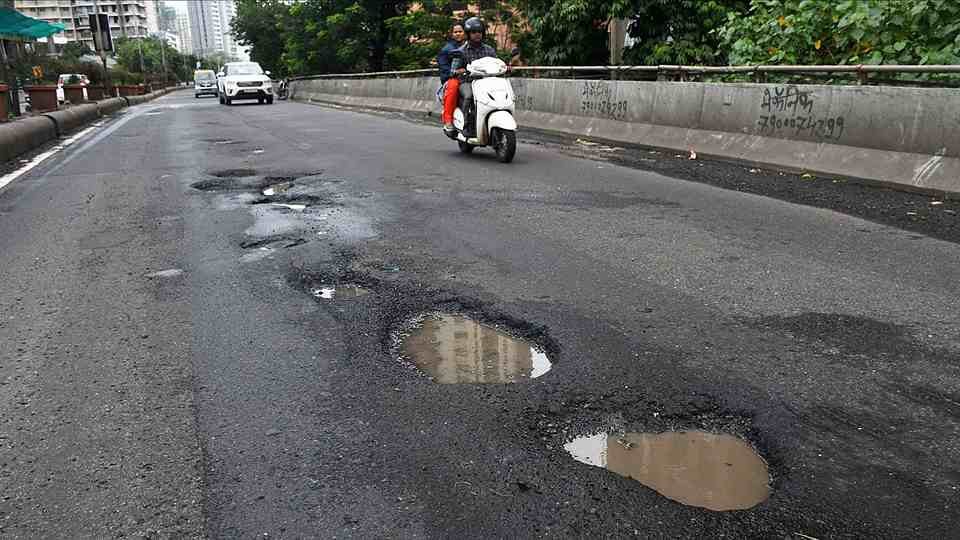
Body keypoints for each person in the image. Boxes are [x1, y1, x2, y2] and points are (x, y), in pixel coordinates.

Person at [442, 16, 497, 136]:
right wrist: (459, 71)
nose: (477, 34)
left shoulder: (489, 50)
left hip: (486, 82)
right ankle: (466, 124)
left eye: (479, 32)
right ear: (468, 34)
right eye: (473, 32)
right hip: (468, 82)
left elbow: (497, 63)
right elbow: (452, 71)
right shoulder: (460, 51)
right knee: (468, 96)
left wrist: (506, 67)